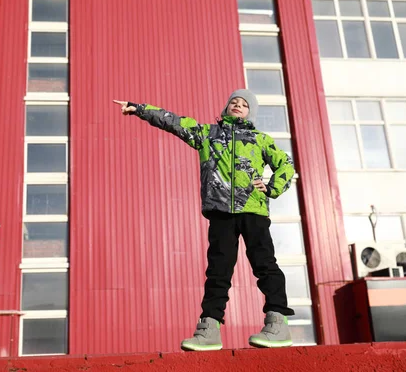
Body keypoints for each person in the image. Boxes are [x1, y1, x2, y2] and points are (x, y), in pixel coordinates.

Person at [113, 89, 295, 351]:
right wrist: (139, 109)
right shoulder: (207, 134)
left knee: (265, 265)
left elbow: (286, 165)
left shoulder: (260, 139)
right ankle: (209, 329)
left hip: (253, 211)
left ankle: (277, 323)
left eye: (244, 104)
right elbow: (173, 121)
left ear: (250, 112)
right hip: (221, 213)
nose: (238, 105)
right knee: (218, 272)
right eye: (234, 101)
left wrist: (272, 186)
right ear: (226, 107)